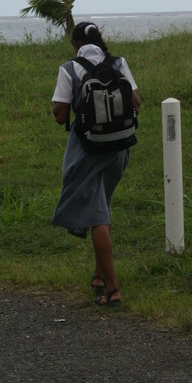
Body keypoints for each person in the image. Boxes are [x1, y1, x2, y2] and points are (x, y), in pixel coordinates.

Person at [51, 21, 141, 307]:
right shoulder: (119, 63)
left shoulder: (69, 69)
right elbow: (136, 103)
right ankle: (99, 276)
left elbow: (60, 114)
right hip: (119, 148)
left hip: (87, 149)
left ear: (76, 45)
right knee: (103, 206)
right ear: (101, 41)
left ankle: (113, 289)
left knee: (97, 216)